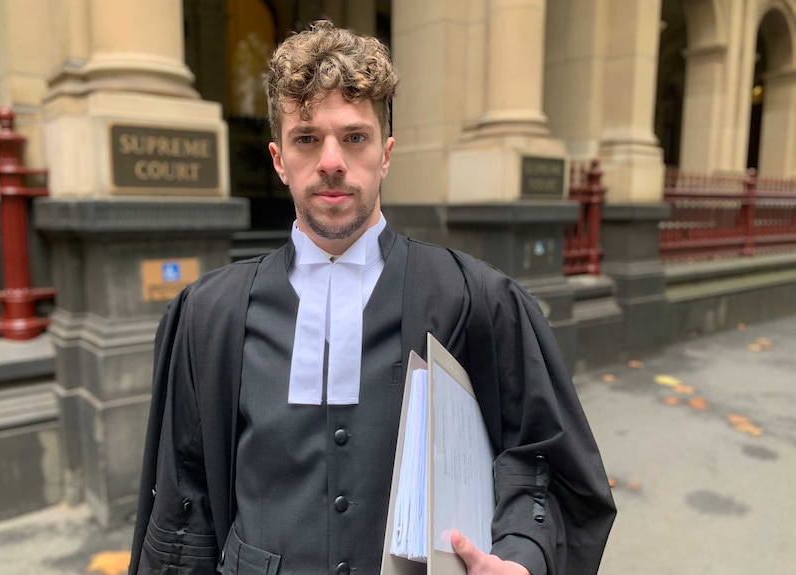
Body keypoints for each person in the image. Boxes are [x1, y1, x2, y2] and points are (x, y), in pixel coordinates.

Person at [129, 20, 615, 575]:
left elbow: (540, 462)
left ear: (385, 154)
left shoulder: (473, 298)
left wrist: (520, 557)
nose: (331, 160)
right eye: (307, 138)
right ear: (278, 158)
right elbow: (182, 504)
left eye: (354, 138)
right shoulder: (210, 315)